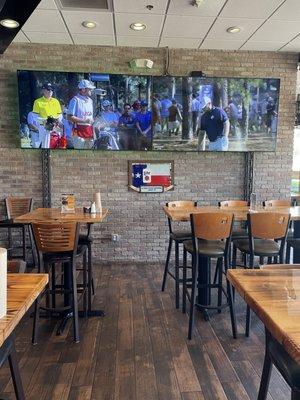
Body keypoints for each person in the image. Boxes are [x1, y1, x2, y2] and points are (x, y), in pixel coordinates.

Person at [67, 79, 95, 149]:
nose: (91, 91)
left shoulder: (90, 101)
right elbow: (69, 117)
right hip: (77, 131)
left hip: (89, 130)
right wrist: (84, 121)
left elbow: (90, 116)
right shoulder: (75, 100)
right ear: (83, 89)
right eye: (89, 89)